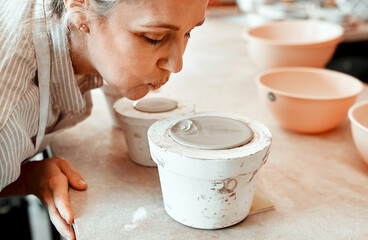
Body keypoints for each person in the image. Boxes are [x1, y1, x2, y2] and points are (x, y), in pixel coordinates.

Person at [0, 0, 208, 239]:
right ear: (80, 9)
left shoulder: (84, 35)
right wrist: (23, 177)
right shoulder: (9, 106)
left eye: (188, 32)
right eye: (154, 37)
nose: (177, 64)